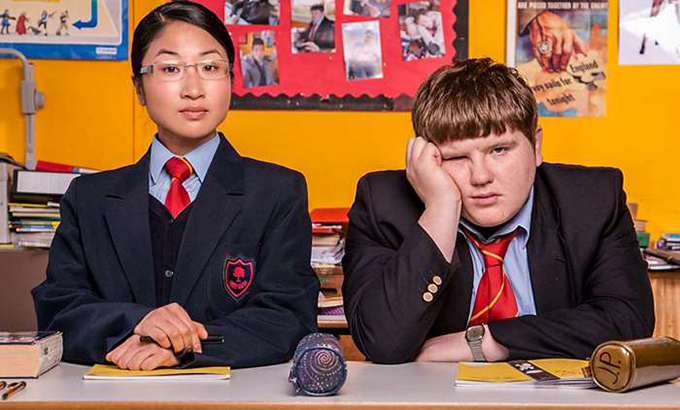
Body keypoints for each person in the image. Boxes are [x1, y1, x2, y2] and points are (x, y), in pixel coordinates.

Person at [32, 1, 318, 371]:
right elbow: (58, 311)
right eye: (170, 68)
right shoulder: (89, 198)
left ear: (231, 79)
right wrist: (137, 321)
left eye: (210, 67)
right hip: (110, 392)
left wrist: (186, 348)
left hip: (234, 393)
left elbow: (288, 316)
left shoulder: (277, 192)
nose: (193, 89)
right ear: (139, 87)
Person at [341, 58, 655, 364]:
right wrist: (440, 208)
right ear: (427, 158)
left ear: (536, 146)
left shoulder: (593, 199)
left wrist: (485, 343)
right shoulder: (383, 204)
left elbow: (628, 321)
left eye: (499, 150)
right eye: (456, 157)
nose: (480, 177)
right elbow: (381, 342)